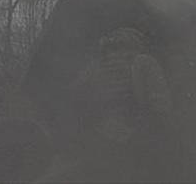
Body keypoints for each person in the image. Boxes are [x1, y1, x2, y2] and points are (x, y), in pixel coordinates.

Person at [69, 27, 173, 183]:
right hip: (138, 134)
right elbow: (160, 103)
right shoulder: (145, 62)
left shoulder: (95, 66)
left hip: (104, 134)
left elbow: (75, 94)